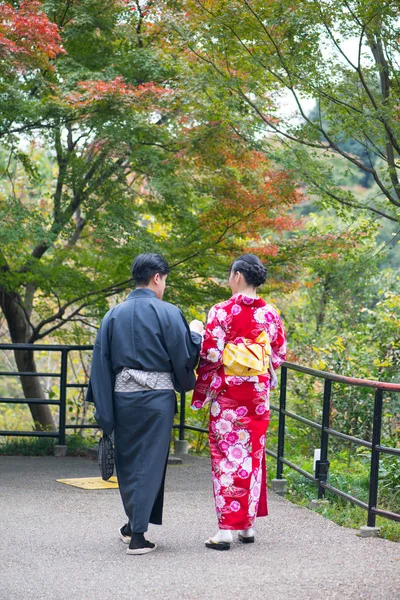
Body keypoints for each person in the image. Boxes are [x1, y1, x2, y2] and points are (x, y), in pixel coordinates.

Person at [87, 253, 203, 555]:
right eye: (164, 280)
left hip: (123, 396)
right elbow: (185, 358)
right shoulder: (168, 313)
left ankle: (131, 524)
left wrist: (104, 409)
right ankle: (138, 536)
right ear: (156, 278)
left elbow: (100, 364)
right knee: (150, 462)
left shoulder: (113, 315)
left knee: (129, 462)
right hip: (158, 400)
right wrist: (196, 335)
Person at [191, 254, 286, 550]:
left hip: (228, 399)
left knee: (226, 460)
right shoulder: (270, 313)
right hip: (257, 398)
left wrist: (202, 389)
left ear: (237, 276)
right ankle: (247, 528)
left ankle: (225, 532)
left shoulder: (221, 311)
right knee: (251, 459)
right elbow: (278, 354)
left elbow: (211, 356)